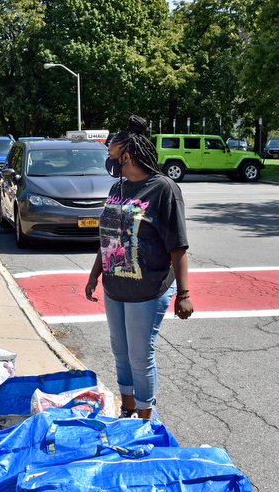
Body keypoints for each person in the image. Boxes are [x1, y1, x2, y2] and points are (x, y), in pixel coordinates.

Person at [85, 115, 193, 420]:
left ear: (127, 157)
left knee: (139, 356)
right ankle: (128, 409)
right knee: (121, 353)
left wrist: (184, 292)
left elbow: (178, 244)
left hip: (148, 289)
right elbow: (108, 237)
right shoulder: (117, 189)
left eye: (111, 156)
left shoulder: (163, 189)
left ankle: (146, 419)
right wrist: (95, 274)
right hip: (114, 286)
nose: (109, 162)